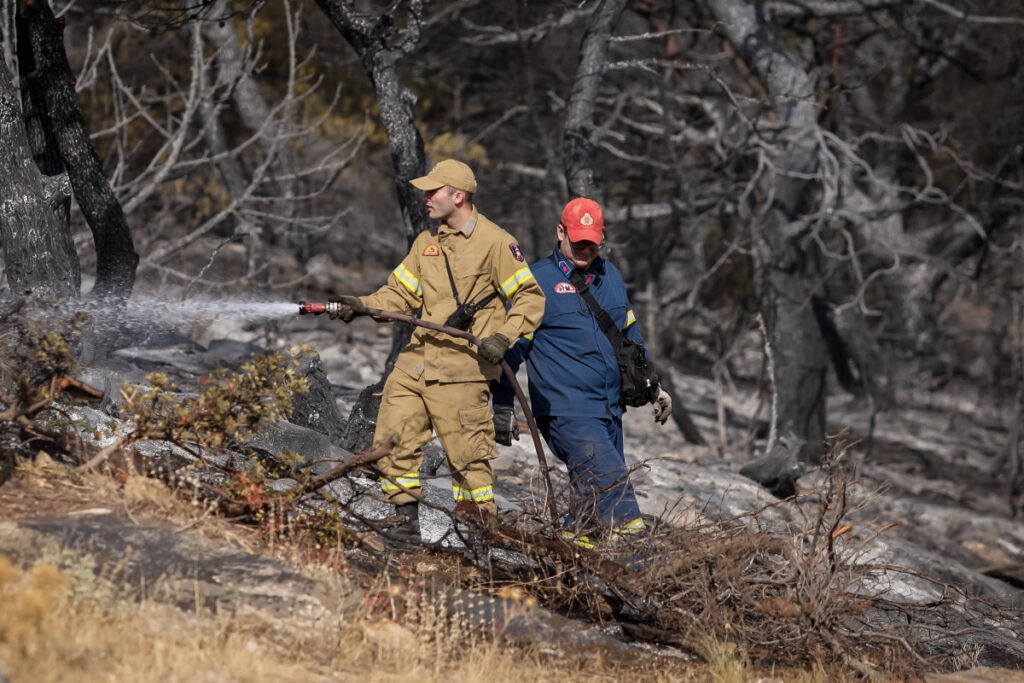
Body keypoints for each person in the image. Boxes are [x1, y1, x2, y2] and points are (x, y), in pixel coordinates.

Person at [330, 159, 545, 544]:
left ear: (457, 196)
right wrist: (361, 304)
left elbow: (529, 299)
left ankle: (479, 538)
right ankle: (403, 525)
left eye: (434, 191)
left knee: (468, 462)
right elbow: (398, 294)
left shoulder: (497, 243)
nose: (425, 198)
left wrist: (504, 336)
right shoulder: (425, 244)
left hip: (462, 371)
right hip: (415, 365)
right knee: (392, 441)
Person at [493, 197, 672, 549]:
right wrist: (502, 405)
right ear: (560, 232)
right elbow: (511, 351)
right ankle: (643, 571)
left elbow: (628, 338)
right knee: (615, 492)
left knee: (590, 506)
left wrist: (653, 387)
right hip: (567, 412)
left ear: (601, 238)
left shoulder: (611, 276)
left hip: (608, 412)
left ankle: (570, 574)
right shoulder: (536, 282)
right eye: (577, 241)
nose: (584, 248)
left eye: (591, 241)